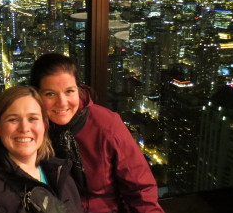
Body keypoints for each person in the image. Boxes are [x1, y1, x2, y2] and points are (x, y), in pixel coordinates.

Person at [30, 53, 164, 213]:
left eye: (69, 91)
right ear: (36, 94)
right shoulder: (32, 129)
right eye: (50, 94)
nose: (62, 102)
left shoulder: (106, 124)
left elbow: (140, 188)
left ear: (78, 90)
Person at [0, 85, 83, 213]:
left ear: (44, 125)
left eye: (32, 118)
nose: (24, 128)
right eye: (13, 120)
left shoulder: (61, 173)